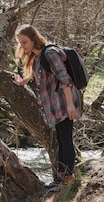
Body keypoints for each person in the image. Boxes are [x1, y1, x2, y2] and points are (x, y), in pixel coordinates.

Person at [12, 24, 82, 190]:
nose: (22, 46)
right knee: (60, 139)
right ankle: (60, 178)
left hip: (64, 102)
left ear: (34, 39)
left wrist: (71, 105)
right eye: (20, 43)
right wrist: (22, 81)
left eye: (24, 42)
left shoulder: (50, 53)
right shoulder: (37, 56)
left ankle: (67, 178)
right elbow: (37, 73)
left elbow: (64, 79)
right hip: (54, 104)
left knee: (65, 140)